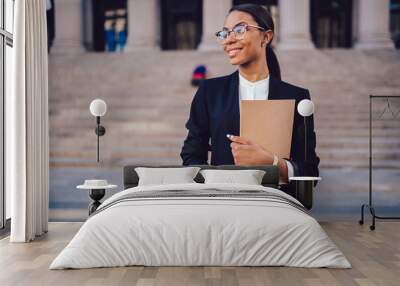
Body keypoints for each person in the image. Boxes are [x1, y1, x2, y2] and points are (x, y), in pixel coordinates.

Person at [180, 4, 320, 196]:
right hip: (223, 203)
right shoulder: (209, 92)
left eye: (239, 29)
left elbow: (309, 172)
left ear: (266, 36)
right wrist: (215, 184)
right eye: (225, 33)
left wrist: (272, 163)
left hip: (277, 205)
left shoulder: (297, 98)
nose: (229, 39)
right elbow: (191, 156)